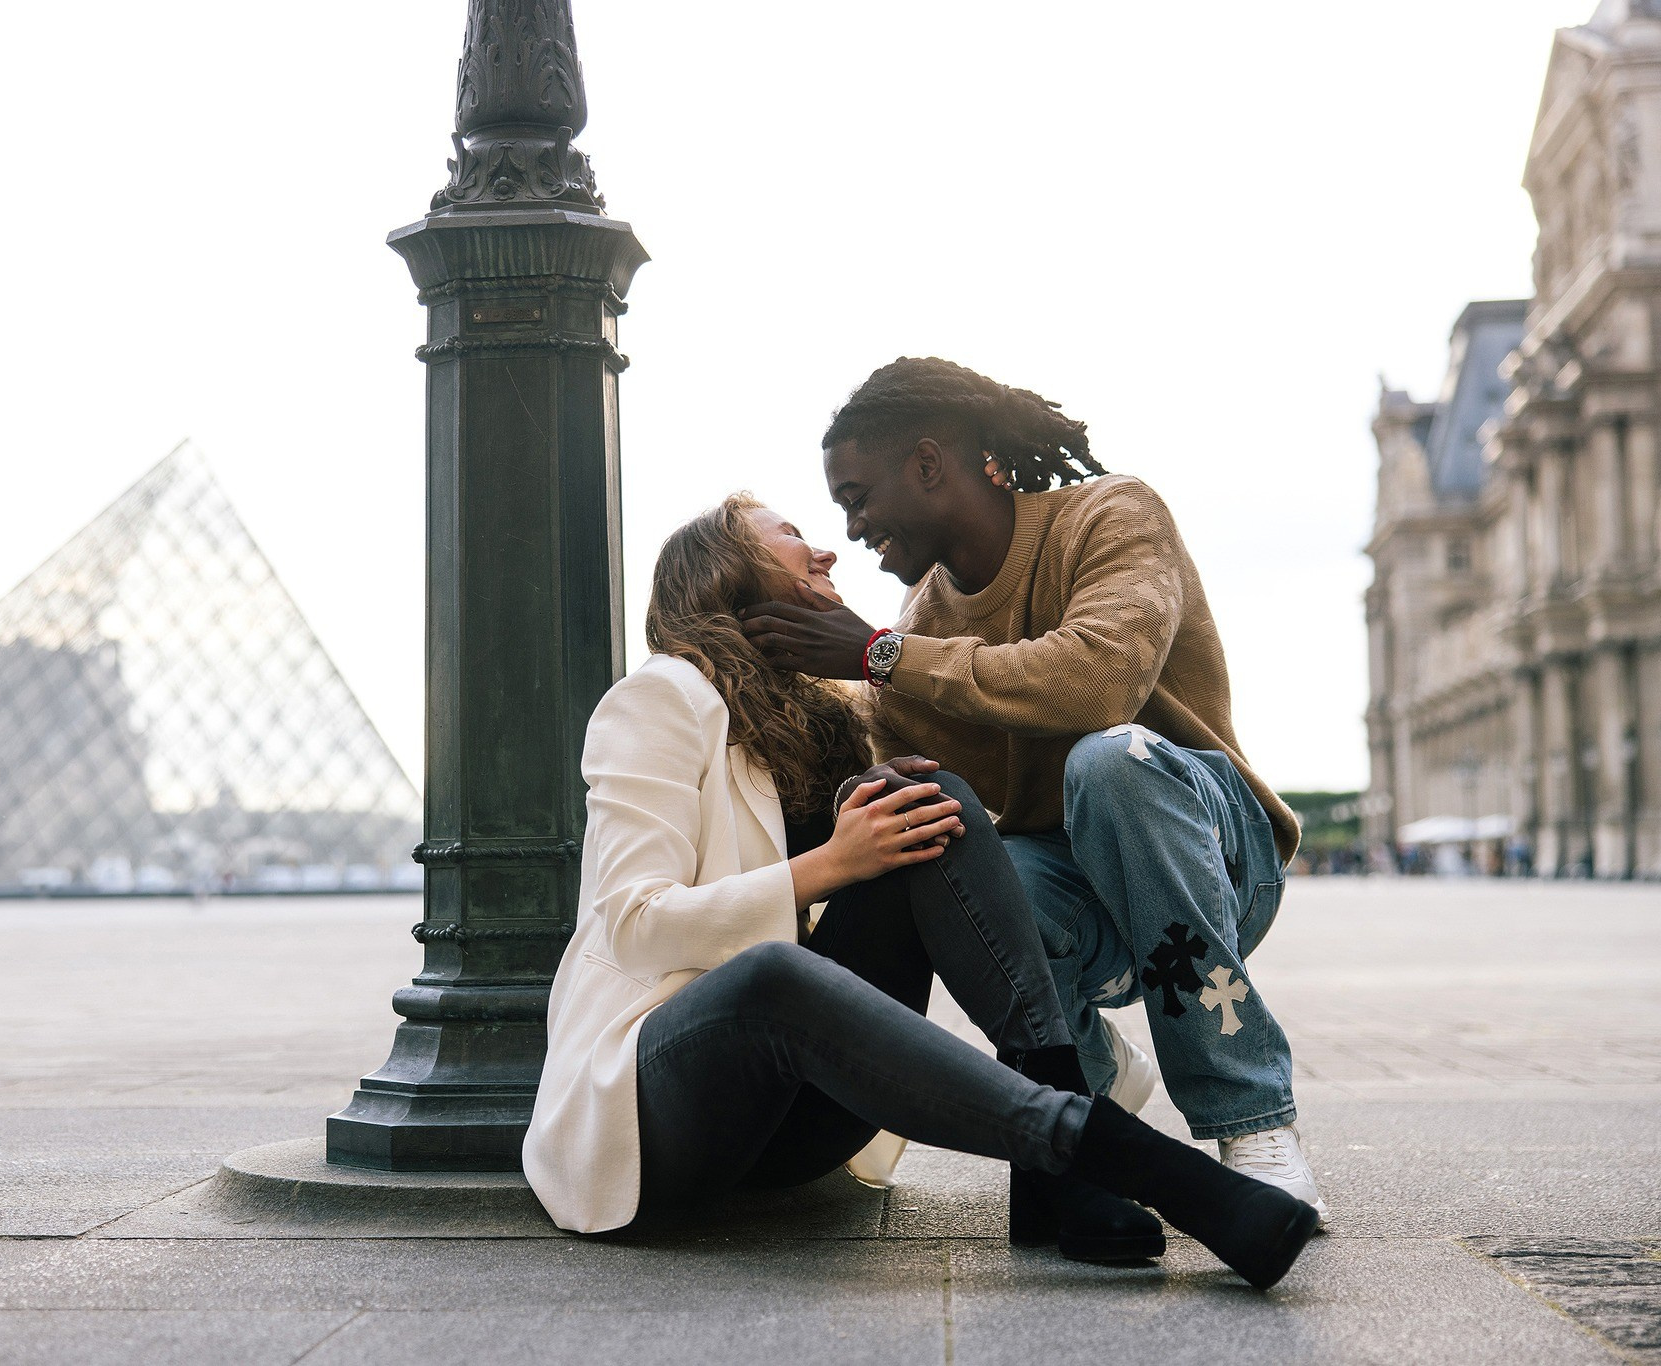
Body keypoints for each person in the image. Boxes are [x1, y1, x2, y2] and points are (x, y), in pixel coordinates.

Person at [521, 493, 1319, 1289]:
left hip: (801, 1123)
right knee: (774, 975)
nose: (827, 549)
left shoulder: (827, 723)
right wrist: (831, 864)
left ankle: (1058, 1157)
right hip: (662, 1109)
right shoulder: (661, 697)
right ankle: (1127, 1161)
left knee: (934, 808)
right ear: (723, 570)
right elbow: (633, 922)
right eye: (793, 534)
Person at [738, 356, 1329, 1224]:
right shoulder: (917, 627)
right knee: (944, 855)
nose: (855, 529)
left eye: (859, 497)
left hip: (1209, 856)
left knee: (1110, 761)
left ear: (930, 464)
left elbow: (1099, 683)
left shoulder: (1111, 515)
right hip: (1077, 890)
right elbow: (914, 779)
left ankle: (1252, 1120)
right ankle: (1094, 1072)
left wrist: (879, 657)